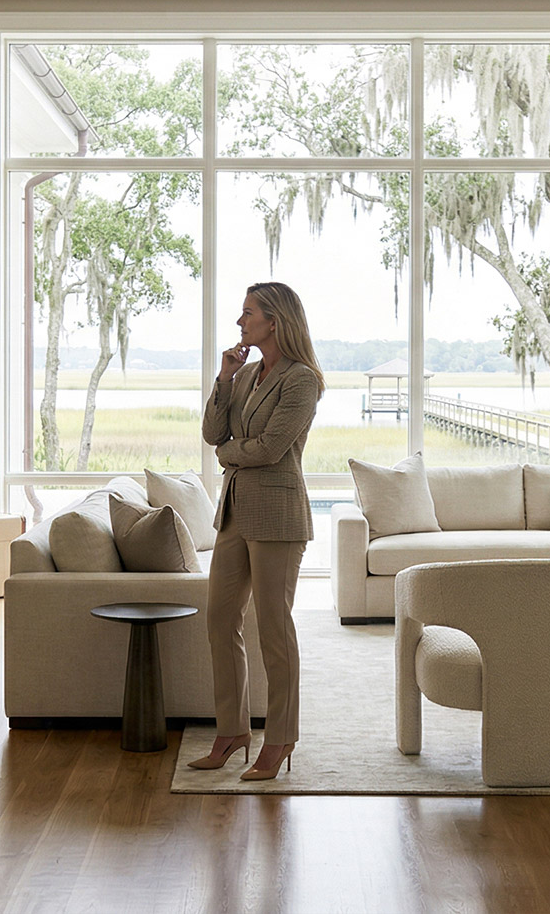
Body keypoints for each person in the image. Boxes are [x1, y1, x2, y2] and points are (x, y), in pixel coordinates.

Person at [186, 281, 324, 781]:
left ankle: (281, 738)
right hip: (235, 513)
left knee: (274, 628)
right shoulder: (243, 374)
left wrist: (227, 454)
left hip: (279, 517)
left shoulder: (302, 380)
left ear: (275, 320)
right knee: (221, 620)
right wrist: (223, 378)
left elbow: (267, 449)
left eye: (248, 314)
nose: (240, 323)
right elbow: (212, 433)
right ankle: (232, 731)